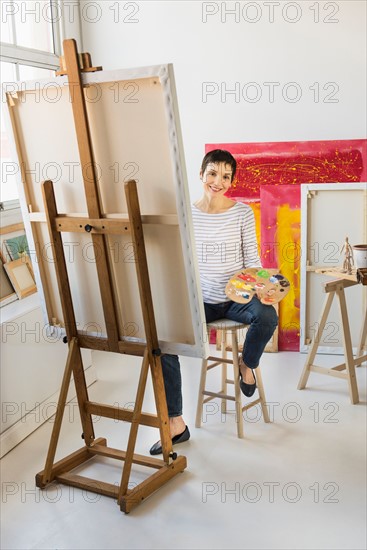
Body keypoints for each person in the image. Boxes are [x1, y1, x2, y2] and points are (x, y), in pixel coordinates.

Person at [149, 149, 278, 455]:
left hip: (236, 298)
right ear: (201, 174)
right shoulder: (186, 214)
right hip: (200, 300)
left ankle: (247, 363)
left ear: (231, 181)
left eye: (225, 176)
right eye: (212, 173)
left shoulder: (242, 213)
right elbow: (179, 258)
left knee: (268, 316)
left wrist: (263, 288)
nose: (217, 181)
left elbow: (252, 260)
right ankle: (176, 423)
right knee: (163, 340)